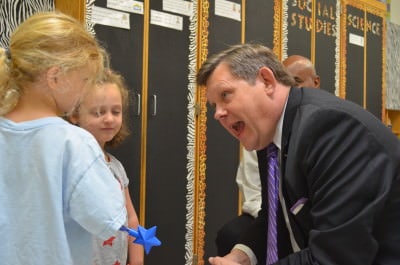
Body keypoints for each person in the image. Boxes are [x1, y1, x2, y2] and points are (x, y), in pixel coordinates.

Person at [197, 43, 400, 265]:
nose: (217, 114)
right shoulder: (271, 135)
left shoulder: (330, 128)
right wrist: (242, 256)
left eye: (226, 95)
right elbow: (277, 218)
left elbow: (336, 256)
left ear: (266, 81)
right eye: (213, 105)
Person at [0, 12, 127, 265]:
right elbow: (107, 218)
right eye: (85, 80)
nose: (86, 89)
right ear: (56, 77)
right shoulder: (74, 142)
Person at [215, 54, 320, 257]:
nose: (220, 113)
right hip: (271, 213)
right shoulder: (262, 133)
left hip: (313, 220)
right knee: (231, 234)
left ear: (315, 82)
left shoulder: (324, 128)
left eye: (297, 82)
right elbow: (254, 193)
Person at [68, 69, 144, 265]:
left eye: (116, 111)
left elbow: (132, 218)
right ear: (75, 115)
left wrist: (136, 262)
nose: (109, 119)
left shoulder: (116, 168)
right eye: (98, 112)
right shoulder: (71, 164)